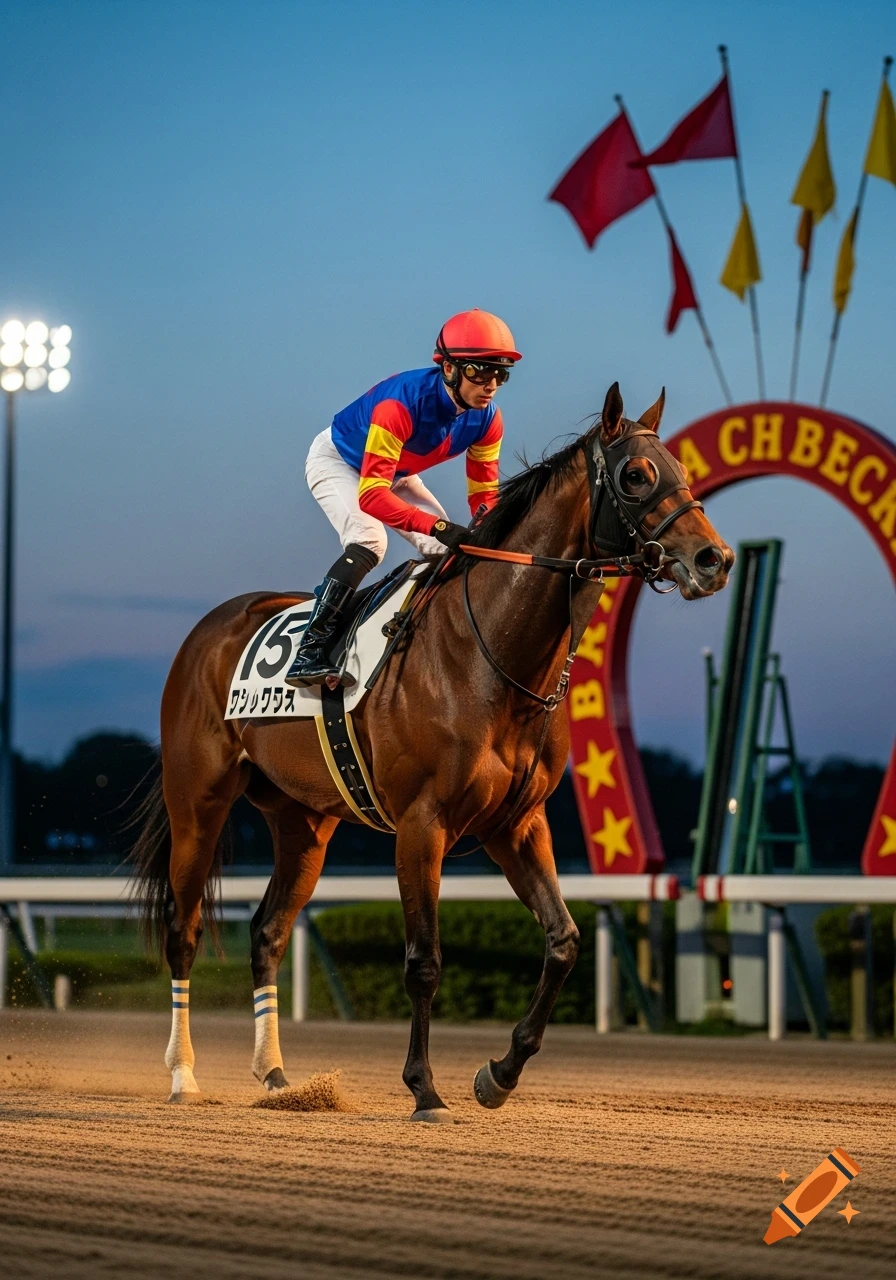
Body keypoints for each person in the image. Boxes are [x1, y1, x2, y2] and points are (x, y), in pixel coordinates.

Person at [285, 308, 521, 687]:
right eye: (479, 371)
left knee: (448, 552)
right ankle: (309, 650)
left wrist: (493, 533)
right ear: (448, 369)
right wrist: (439, 525)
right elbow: (373, 497)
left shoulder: (488, 419)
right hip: (341, 462)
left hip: (395, 471)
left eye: (500, 373)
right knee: (369, 540)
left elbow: (484, 497)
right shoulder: (400, 404)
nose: (491, 384)